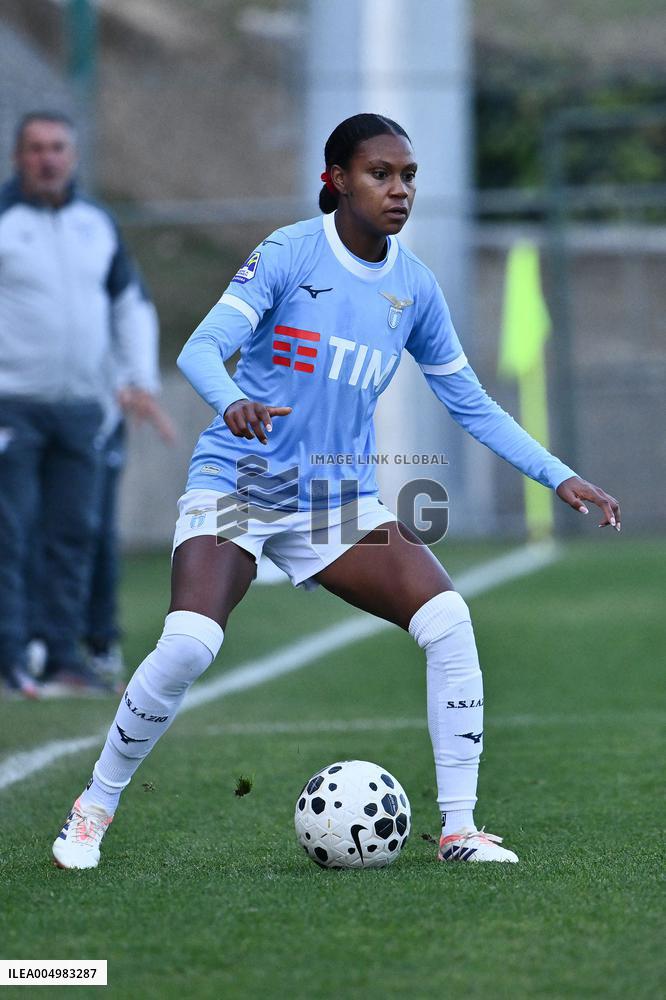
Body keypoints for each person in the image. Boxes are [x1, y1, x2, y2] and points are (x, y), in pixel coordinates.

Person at [52, 113, 620, 869]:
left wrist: (559, 474)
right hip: (241, 481)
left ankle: (459, 830)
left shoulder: (414, 288)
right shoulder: (289, 252)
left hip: (336, 502)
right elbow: (201, 349)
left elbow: (472, 404)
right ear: (337, 180)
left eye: (408, 176)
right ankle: (93, 807)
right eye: (380, 174)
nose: (399, 189)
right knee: (189, 644)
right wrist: (233, 402)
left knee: (448, 621)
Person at [0, 110, 165, 697]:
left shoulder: (97, 224)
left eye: (57, 148)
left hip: (83, 409)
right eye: (35, 148)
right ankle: (9, 655)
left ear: (72, 157)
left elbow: (130, 303)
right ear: (18, 157)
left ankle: (62, 656)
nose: (47, 158)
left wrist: (139, 378)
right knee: (10, 533)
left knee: (74, 533)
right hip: (11, 406)